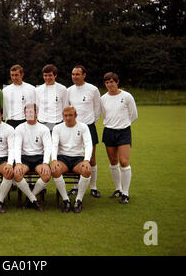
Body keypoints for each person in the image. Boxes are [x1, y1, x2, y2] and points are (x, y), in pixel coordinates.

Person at [100, 72, 138, 204]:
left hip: (124, 132)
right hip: (109, 131)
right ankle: (118, 189)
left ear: (117, 82)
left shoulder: (127, 96)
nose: (110, 85)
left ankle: (125, 193)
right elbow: (104, 115)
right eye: (107, 82)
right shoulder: (103, 98)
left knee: (123, 161)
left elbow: (133, 115)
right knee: (113, 161)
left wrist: (123, 125)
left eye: (112, 82)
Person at [67, 65, 102, 198]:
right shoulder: (68, 90)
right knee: (75, 157)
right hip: (72, 128)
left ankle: (93, 187)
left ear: (84, 75)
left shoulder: (93, 89)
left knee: (91, 158)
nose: (74, 76)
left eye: (77, 74)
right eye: (73, 74)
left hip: (88, 127)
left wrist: (89, 122)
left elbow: (97, 109)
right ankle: (75, 187)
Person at [51, 106, 93, 213]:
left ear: (76, 115)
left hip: (78, 159)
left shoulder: (83, 127)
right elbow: (54, 145)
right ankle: (66, 200)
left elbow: (88, 144)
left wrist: (86, 160)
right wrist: (54, 160)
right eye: (65, 115)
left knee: (87, 170)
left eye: (70, 115)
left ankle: (78, 200)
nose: (68, 118)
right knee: (55, 170)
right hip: (63, 158)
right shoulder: (57, 128)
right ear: (63, 116)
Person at [14, 103, 50, 211]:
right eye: (27, 112)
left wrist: (45, 163)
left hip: (39, 158)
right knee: (17, 174)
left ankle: (30, 198)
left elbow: (48, 147)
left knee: (47, 175)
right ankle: (33, 200)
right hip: (24, 158)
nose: (29, 114)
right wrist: (18, 163)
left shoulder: (44, 129)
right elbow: (17, 147)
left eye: (31, 112)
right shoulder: (19, 128)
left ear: (36, 113)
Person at [35, 64, 68, 132]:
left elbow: (65, 107)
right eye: (45, 75)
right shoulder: (38, 90)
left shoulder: (62, 89)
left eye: (50, 75)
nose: (47, 78)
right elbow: (37, 108)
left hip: (57, 123)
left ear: (55, 75)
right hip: (42, 123)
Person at [3, 64, 36, 129]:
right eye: (12, 75)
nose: (14, 78)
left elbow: (35, 107)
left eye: (16, 75)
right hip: (10, 122)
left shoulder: (31, 89)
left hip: (26, 121)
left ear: (22, 74)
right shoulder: (5, 90)